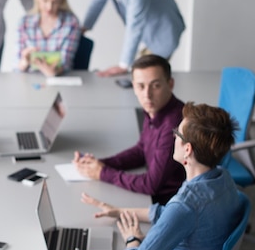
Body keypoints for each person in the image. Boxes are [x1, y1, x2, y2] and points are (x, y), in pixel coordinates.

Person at [81, 102, 241, 250]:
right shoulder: (221, 177)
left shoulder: (186, 205)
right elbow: (171, 216)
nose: (173, 136)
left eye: (177, 133)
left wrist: (132, 239)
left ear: (187, 149)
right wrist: (121, 211)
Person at [73, 54, 185, 205]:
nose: (147, 94)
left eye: (156, 85)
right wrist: (99, 163)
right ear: (133, 86)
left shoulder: (174, 125)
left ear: (170, 84)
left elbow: (150, 184)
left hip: (167, 204)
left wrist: (102, 173)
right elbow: (141, 150)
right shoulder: (155, 108)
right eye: (141, 86)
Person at [80, 0, 185, 77]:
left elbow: (136, 20)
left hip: (161, 32)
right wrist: (83, 28)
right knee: (141, 80)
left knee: (148, 80)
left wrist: (123, 65)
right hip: (145, 34)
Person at [17, 0, 82, 77]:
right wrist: (24, 61)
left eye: (55, 2)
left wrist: (53, 72)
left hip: (60, 78)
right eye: (45, 1)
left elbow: (66, 61)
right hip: (28, 78)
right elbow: (18, 65)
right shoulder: (25, 22)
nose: (49, 7)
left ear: (62, 0)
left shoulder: (71, 22)